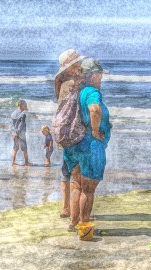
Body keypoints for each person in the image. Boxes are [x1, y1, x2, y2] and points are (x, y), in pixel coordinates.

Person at [62, 58, 111, 234]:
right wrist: (96, 131)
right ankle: (84, 229)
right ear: (94, 75)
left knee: (77, 185)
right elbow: (94, 110)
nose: (102, 78)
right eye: (100, 74)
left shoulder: (77, 90)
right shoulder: (91, 92)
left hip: (73, 145)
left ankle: (74, 223)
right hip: (89, 146)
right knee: (88, 190)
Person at [54, 49, 84, 218]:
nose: (81, 64)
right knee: (76, 171)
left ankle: (66, 207)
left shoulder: (61, 82)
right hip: (74, 130)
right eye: (78, 62)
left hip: (62, 129)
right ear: (72, 66)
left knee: (66, 169)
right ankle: (74, 209)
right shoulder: (75, 84)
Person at [11, 100, 30, 166]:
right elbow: (21, 125)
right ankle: (26, 162)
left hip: (14, 133)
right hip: (21, 134)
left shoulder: (13, 113)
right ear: (21, 105)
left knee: (15, 149)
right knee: (25, 149)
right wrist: (18, 133)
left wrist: (14, 133)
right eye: (25, 105)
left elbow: (12, 125)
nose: (26, 106)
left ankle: (13, 162)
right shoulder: (23, 114)